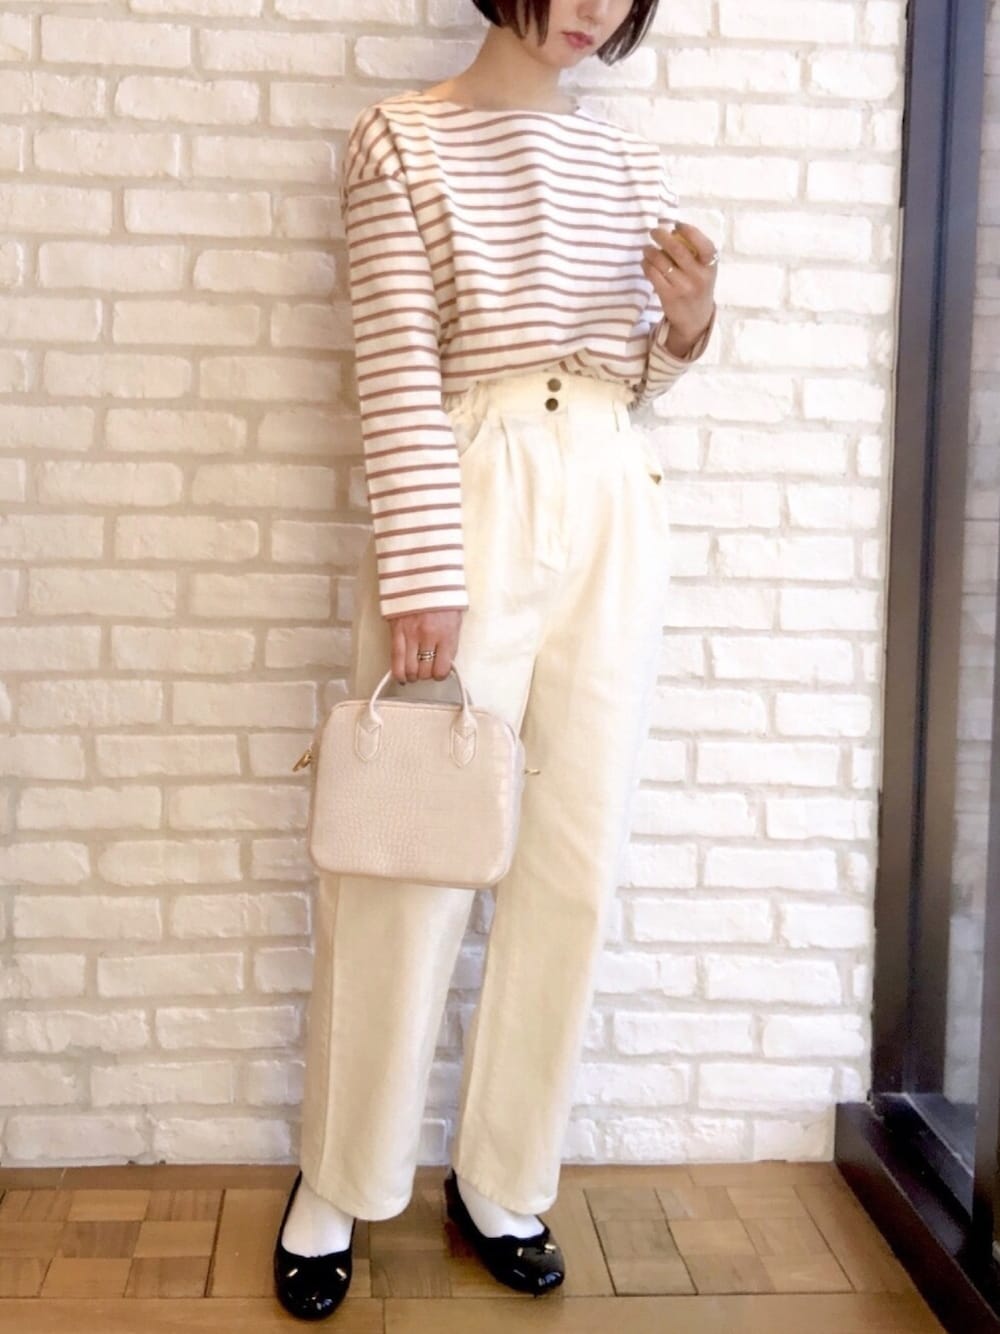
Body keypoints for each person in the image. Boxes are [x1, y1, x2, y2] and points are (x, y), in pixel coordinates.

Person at [273, 0, 719, 1319]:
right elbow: (398, 364)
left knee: (569, 862)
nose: (595, 11)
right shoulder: (400, 141)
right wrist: (422, 572)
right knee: (407, 859)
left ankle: (503, 1176)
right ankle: (339, 1179)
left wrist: (688, 326)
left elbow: (634, 375)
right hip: (468, 496)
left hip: (612, 494)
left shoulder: (626, 157)